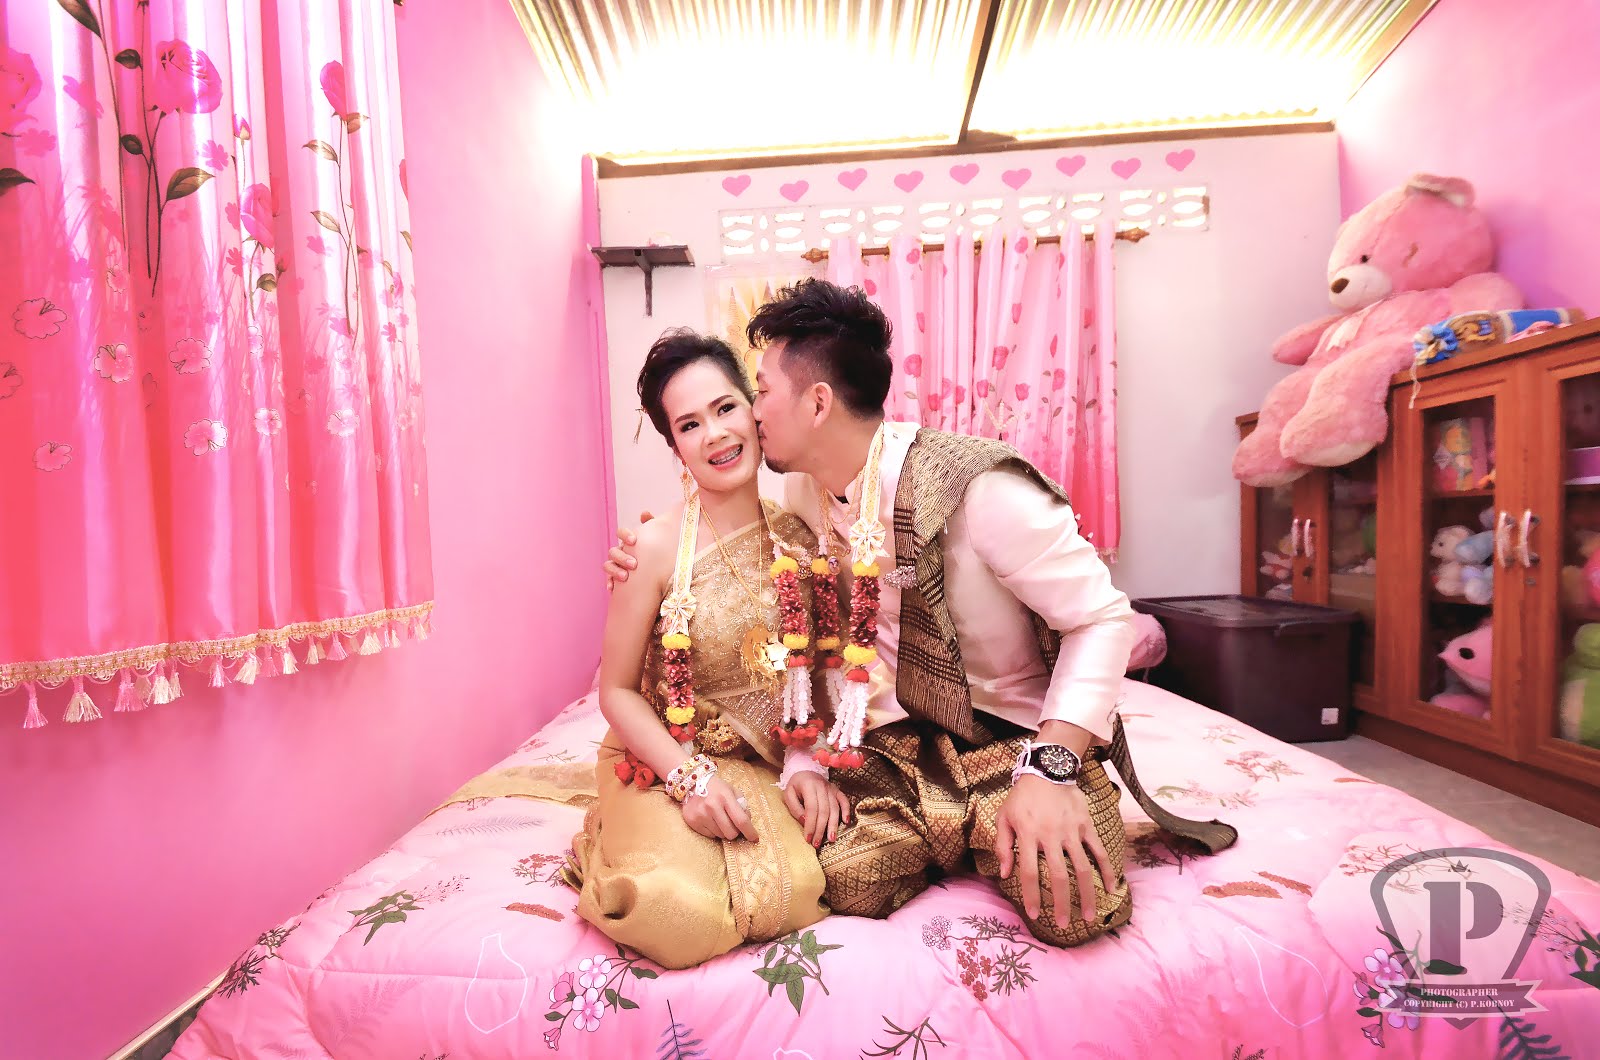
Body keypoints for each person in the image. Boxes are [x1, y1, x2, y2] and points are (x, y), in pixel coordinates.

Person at [606, 280, 1235, 948]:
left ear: (817, 403)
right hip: (906, 744)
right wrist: (806, 761)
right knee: (841, 880)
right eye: (691, 423)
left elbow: (1103, 619)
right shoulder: (804, 497)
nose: (748, 419)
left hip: (1015, 738)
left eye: (754, 395)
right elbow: (824, 647)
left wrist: (1052, 770)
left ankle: (1005, 818)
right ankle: (963, 834)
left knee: (1078, 909)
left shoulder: (983, 490)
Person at [565, 328, 850, 969]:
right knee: (676, 913)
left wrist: (809, 762)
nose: (716, 434)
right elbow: (616, 692)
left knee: (807, 885)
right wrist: (688, 777)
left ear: (754, 409)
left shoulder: (798, 536)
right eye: (690, 425)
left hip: (771, 759)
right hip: (666, 756)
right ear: (676, 447)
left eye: (725, 408)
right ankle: (611, 834)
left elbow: (819, 673)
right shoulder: (651, 549)